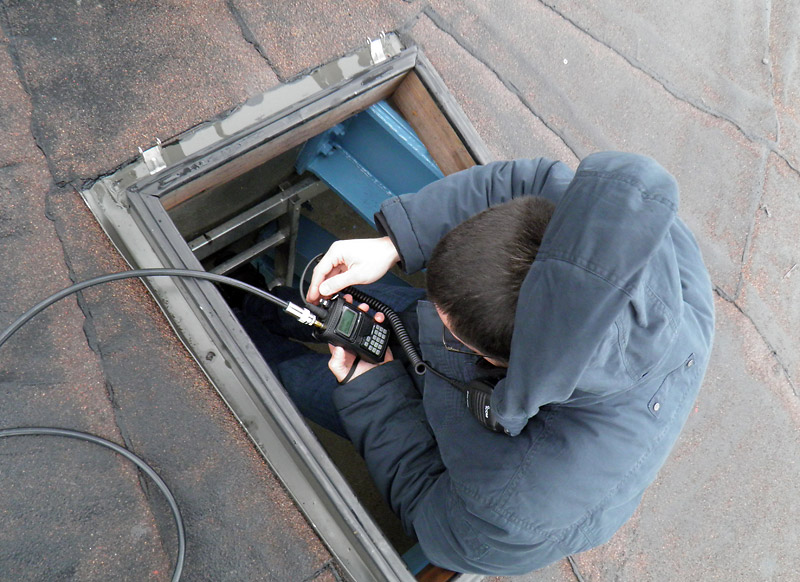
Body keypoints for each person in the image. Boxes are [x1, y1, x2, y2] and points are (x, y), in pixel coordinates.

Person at [239, 152, 715, 575]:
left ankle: (248, 338)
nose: (435, 317)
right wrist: (393, 245)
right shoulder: (624, 232)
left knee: (296, 379)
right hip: (477, 363)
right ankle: (248, 299)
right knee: (338, 311)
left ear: (496, 360)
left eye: (452, 331)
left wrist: (371, 389)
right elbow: (533, 184)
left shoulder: (518, 506)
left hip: (438, 432)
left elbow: (427, 508)